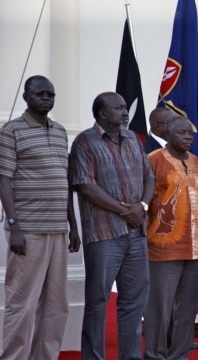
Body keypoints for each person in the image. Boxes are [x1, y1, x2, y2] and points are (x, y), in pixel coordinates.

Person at [69, 91, 155, 360]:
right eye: (118, 108)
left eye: (124, 107)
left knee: (133, 302)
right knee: (97, 301)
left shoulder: (133, 139)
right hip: (104, 233)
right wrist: (124, 211)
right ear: (102, 113)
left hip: (136, 232)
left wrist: (140, 207)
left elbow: (149, 177)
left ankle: (130, 356)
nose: (125, 112)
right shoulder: (85, 141)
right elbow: (85, 186)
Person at [0, 75, 80, 360]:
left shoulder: (59, 131)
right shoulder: (11, 131)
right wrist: (14, 225)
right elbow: (4, 179)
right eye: (40, 94)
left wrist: (72, 226)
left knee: (57, 305)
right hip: (29, 230)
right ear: (26, 97)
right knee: (22, 302)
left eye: (51, 95)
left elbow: (65, 181)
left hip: (58, 228)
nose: (46, 99)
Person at [143, 115, 198, 359]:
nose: (188, 137)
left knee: (187, 309)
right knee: (159, 308)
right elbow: (143, 201)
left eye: (190, 133)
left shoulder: (197, 162)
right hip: (162, 247)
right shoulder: (153, 160)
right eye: (181, 133)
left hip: (194, 246)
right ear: (167, 134)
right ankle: (155, 355)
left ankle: (180, 354)